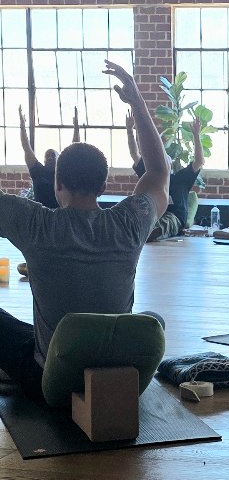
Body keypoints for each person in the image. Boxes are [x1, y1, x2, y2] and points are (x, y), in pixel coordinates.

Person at [0, 61, 169, 400]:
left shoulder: (35, 223)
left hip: (51, 382)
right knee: (153, 320)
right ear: (104, 184)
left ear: (58, 183)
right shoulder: (130, 221)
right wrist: (136, 103)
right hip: (115, 375)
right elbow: (160, 172)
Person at [127, 111, 204, 241]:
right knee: (137, 221)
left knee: (166, 223)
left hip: (173, 216)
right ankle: (135, 232)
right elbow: (135, 154)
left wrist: (196, 135)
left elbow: (199, 161)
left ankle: (149, 234)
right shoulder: (152, 176)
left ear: (170, 165)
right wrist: (130, 130)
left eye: (165, 161)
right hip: (152, 214)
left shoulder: (181, 179)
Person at [18, 105, 81, 209]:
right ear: (44, 160)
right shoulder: (38, 171)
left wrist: (76, 128)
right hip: (43, 216)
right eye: (47, 156)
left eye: (53, 155)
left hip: (61, 215)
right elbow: (26, 147)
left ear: (59, 158)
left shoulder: (64, 172)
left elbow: (75, 149)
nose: (50, 157)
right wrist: (22, 125)